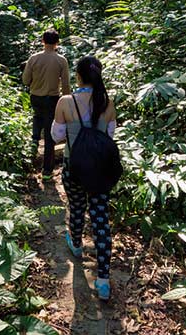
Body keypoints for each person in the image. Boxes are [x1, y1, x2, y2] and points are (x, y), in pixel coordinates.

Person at [50, 55, 117, 301]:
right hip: (100, 170)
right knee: (100, 219)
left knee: (77, 208)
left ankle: (76, 245)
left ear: (77, 76)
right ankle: (103, 280)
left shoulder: (66, 102)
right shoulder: (107, 103)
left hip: (74, 168)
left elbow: (57, 136)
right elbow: (109, 136)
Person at [22, 29, 72, 180]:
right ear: (57, 43)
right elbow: (65, 85)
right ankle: (47, 172)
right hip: (52, 99)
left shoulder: (33, 58)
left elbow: (25, 80)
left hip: (35, 97)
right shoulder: (61, 60)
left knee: (37, 116)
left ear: (43, 41)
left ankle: (34, 142)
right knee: (50, 134)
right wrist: (67, 104)